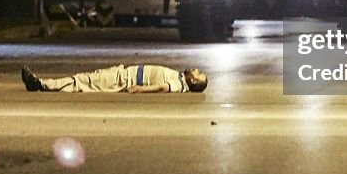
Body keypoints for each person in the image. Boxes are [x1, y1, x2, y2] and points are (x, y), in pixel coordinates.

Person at [21, 64, 208, 93]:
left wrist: (140, 89)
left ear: (193, 81)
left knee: (82, 81)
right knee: (86, 80)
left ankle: (40, 84)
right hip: (123, 73)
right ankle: (42, 84)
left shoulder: (179, 84)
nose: (196, 69)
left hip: (124, 80)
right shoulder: (179, 77)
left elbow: (162, 88)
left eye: (198, 73)